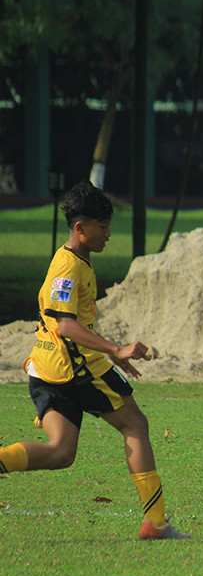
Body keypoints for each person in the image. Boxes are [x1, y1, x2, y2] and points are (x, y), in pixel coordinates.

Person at [0, 181, 190, 540]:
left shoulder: (73, 260)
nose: (108, 234)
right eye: (102, 227)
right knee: (135, 424)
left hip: (46, 367)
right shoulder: (68, 268)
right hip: (75, 368)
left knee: (60, 453)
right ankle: (157, 523)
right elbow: (67, 325)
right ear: (80, 228)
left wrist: (110, 355)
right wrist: (114, 350)